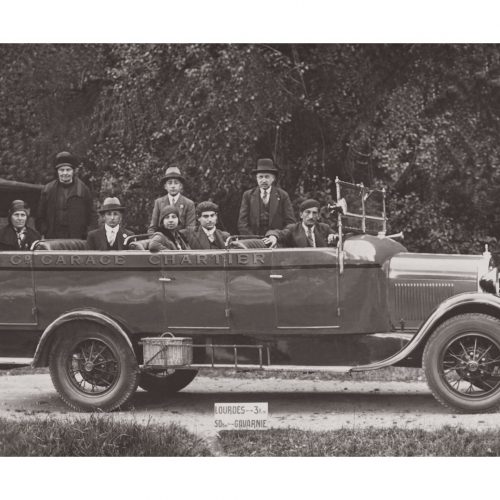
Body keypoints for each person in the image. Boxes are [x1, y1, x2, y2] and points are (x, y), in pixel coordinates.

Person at [36, 151, 95, 239]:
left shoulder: (83, 190)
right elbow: (40, 216)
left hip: (77, 239)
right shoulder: (48, 190)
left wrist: (88, 234)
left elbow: (92, 215)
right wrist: (45, 231)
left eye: (68, 170)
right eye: (62, 170)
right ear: (57, 172)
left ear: (73, 171)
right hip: (54, 238)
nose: (65, 173)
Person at [237, 158, 295, 236]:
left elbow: (291, 224)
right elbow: (242, 223)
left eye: (267, 177)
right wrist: (254, 239)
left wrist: (277, 236)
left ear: (273, 178)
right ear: (256, 178)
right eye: (261, 177)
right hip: (253, 241)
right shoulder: (248, 195)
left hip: (276, 242)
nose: (264, 180)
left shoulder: (283, 195)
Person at [264, 199, 337, 248]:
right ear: (301, 215)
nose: (311, 216)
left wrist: (334, 236)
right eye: (307, 212)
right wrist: (273, 237)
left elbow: (339, 236)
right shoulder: (293, 229)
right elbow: (279, 233)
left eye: (314, 213)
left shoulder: (324, 228)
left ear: (318, 216)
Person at [148, 166, 196, 233]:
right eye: (170, 183)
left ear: (180, 186)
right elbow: (152, 228)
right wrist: (155, 241)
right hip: (161, 240)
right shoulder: (159, 202)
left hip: (181, 240)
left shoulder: (188, 203)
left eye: (176, 183)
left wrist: (175, 238)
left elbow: (190, 228)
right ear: (165, 186)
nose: (173, 186)